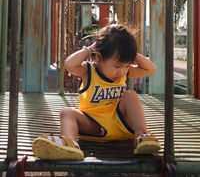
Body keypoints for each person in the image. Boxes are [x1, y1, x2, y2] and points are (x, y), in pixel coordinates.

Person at [32, 23, 161, 160]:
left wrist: (130, 53)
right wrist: (88, 50)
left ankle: (141, 135)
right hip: (94, 125)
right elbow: (69, 65)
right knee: (67, 112)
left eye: (127, 65)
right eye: (117, 66)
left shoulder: (124, 72)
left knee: (130, 95)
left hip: (120, 123)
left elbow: (151, 69)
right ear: (98, 58)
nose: (122, 71)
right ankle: (70, 143)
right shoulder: (88, 71)